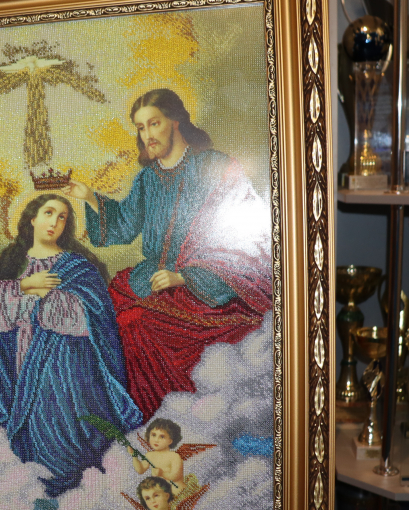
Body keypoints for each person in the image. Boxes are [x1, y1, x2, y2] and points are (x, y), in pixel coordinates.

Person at [65, 88, 272, 419]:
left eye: (154, 123)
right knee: (102, 317)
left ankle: (163, 422)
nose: (147, 135)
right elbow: (123, 226)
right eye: (140, 127)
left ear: (175, 121)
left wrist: (186, 277)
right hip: (150, 279)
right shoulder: (148, 178)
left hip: (205, 288)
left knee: (137, 324)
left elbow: (246, 241)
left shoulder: (216, 167)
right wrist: (90, 197)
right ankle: (124, 422)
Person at [0, 194, 143, 497]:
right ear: (32, 218)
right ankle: (29, 486)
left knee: (61, 429)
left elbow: (95, 316)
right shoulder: (12, 263)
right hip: (20, 360)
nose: (54, 221)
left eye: (62, 216)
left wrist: (42, 302)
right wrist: (24, 287)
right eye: (49, 213)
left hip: (67, 369)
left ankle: (77, 488)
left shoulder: (78, 267)